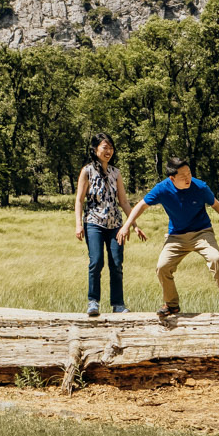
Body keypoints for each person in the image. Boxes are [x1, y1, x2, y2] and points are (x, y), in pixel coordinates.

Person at [122, 157, 219, 317]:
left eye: (189, 173)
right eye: (183, 175)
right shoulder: (162, 189)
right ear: (172, 178)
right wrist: (126, 225)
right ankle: (171, 305)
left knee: (215, 259)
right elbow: (141, 205)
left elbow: (215, 204)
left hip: (202, 233)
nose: (188, 178)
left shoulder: (200, 187)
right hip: (176, 236)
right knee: (162, 267)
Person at [72, 133, 140, 316]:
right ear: (95, 150)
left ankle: (118, 304)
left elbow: (124, 202)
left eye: (111, 147)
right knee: (96, 261)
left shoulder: (115, 172)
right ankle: (93, 302)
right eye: (104, 147)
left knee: (116, 263)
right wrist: (78, 225)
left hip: (115, 224)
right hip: (93, 222)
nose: (108, 151)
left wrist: (133, 224)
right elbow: (79, 200)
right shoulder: (86, 171)